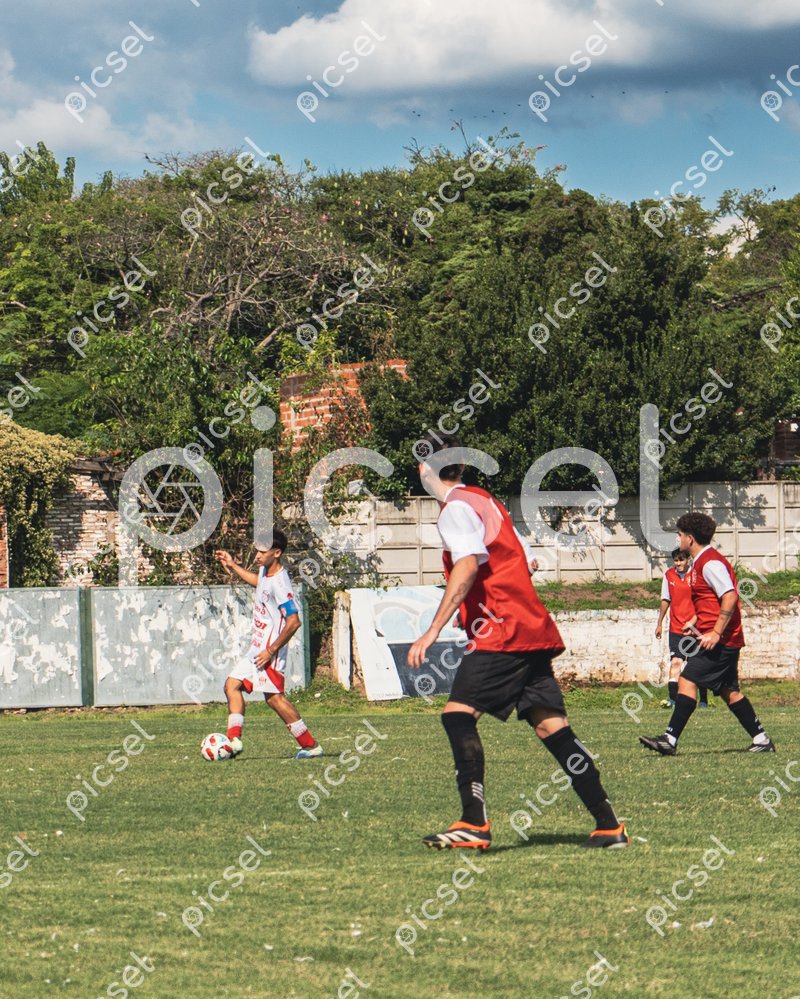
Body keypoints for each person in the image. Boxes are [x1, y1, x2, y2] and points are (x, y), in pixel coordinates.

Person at [407, 433, 629, 850]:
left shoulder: (455, 509)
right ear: (462, 466)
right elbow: (525, 561)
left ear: (424, 469)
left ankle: (474, 822)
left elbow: (468, 565)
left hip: (501, 631)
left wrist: (434, 628)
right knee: (552, 727)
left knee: (457, 716)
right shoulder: (484, 500)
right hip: (529, 628)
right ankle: (608, 825)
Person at [640, 512, 775, 756]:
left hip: (721, 641)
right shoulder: (700, 562)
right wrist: (695, 621)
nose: (678, 539)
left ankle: (670, 739)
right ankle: (762, 739)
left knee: (687, 679)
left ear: (690, 538)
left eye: (680, 534)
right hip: (722, 639)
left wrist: (715, 632)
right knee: (728, 691)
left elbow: (730, 596)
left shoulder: (710, 563)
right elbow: (710, 601)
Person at [214, 531, 323, 759]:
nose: (257, 556)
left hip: (269, 651)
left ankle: (311, 746)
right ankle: (234, 741)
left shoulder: (281, 583)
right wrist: (232, 565)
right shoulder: (265, 571)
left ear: (277, 553)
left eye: (262, 552)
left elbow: (294, 621)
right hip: (257, 648)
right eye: (257, 551)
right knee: (231, 685)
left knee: (274, 698)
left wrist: (271, 651)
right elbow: (259, 583)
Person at [655, 548, 709, 708]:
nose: (678, 563)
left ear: (688, 560)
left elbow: (704, 602)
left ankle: (703, 700)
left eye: (681, 560)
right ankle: (673, 700)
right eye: (676, 560)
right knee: (676, 663)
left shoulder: (697, 576)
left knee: (697, 666)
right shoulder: (669, 576)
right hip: (676, 629)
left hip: (696, 629)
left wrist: (695, 622)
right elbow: (665, 599)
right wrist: (659, 623)